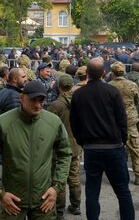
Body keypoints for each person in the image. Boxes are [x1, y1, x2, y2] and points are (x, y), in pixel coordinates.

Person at [0, 80, 72, 219]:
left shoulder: (53, 122)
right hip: (13, 201)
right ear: (22, 98)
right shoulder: (2, 123)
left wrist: (56, 188)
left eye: (41, 100)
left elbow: (65, 154)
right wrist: (0, 192)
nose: (37, 105)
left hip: (43, 200)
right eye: (33, 100)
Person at [69, 59, 134, 220]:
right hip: (113, 147)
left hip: (92, 148)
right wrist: (122, 141)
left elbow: (74, 123)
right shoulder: (112, 92)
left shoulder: (78, 94)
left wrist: (82, 142)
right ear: (104, 73)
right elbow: (122, 120)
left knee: (92, 191)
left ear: (87, 73)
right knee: (123, 191)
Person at [48, 74, 82, 216]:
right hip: (75, 146)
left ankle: (59, 210)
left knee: (59, 180)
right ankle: (76, 206)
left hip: (59, 148)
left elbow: (48, 126)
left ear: (59, 87)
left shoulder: (55, 105)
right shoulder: (80, 102)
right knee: (74, 178)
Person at [109, 61, 139, 185]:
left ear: (113, 73)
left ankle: (117, 177)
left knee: (116, 150)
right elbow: (137, 100)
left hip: (114, 121)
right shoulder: (132, 85)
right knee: (135, 150)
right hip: (130, 120)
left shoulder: (109, 86)